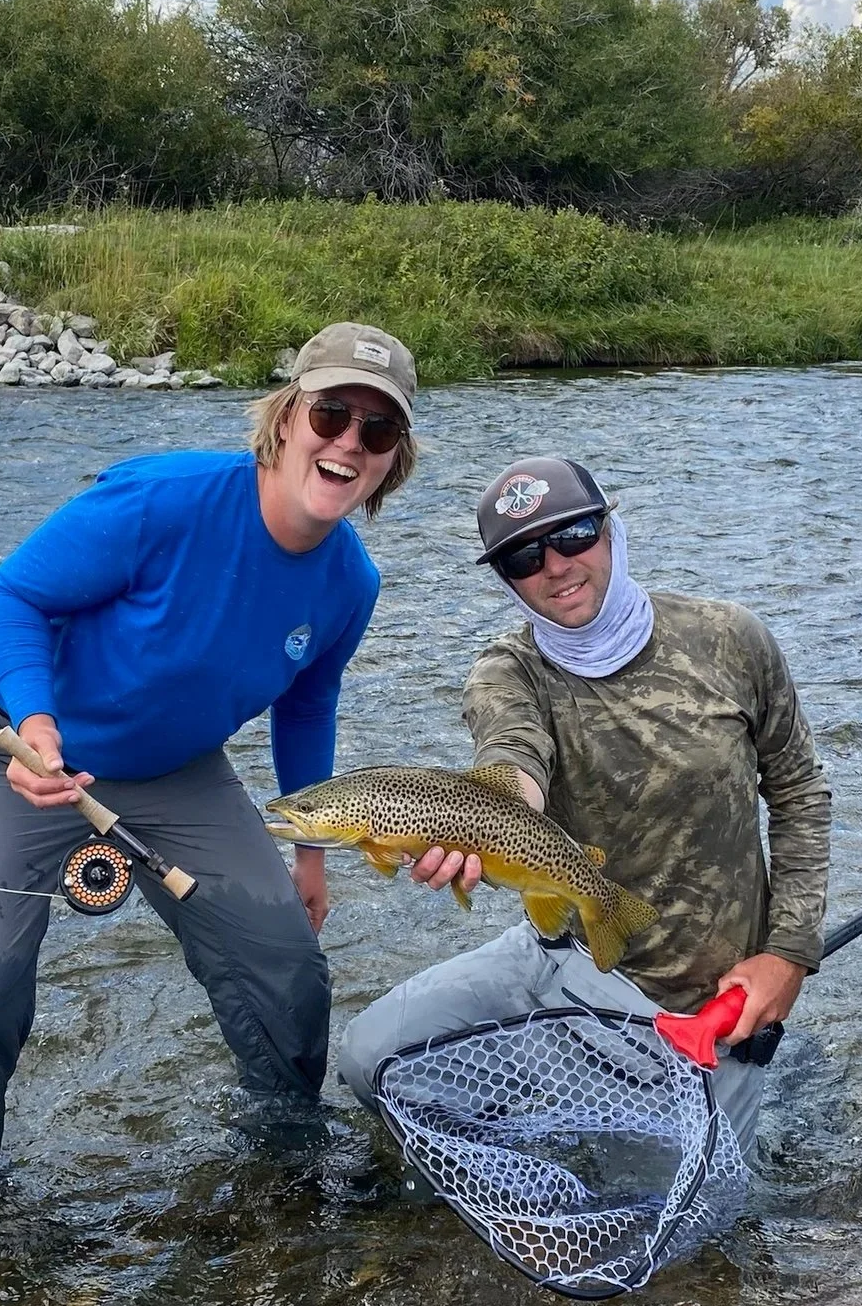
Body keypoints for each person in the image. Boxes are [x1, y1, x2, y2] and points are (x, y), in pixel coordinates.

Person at [0, 322, 420, 1178]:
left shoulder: (350, 582)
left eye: (378, 431)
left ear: (392, 461)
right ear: (286, 418)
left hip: (175, 772)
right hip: (5, 746)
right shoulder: (164, 499)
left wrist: (313, 852)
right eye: (330, 414)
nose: (348, 444)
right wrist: (35, 723)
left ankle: (282, 1158)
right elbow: (15, 595)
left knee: (287, 966)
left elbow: (307, 704)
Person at [334, 455, 831, 1142]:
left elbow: (799, 790)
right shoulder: (507, 672)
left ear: (610, 529)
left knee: (685, 1221)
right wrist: (490, 820)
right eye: (523, 558)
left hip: (709, 1000)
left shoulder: (731, 639)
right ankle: (531, 1118)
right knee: (369, 1060)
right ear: (507, 581)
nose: (557, 567)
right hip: (558, 958)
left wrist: (789, 954)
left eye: (574, 535)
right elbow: (512, 757)